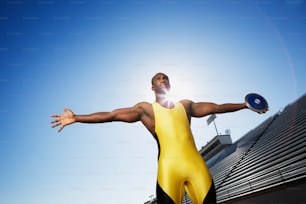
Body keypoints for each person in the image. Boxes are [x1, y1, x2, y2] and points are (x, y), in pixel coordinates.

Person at [51, 72, 267, 204]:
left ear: (169, 85)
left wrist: (245, 105)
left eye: (166, 78)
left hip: (197, 167)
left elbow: (217, 107)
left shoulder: (185, 105)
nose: (162, 80)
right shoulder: (146, 109)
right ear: (152, 87)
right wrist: (77, 117)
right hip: (168, 171)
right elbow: (112, 115)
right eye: (158, 78)